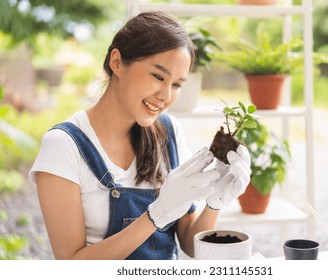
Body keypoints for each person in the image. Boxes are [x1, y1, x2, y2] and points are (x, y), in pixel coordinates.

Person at [29, 11, 251, 260]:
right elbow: (71, 267)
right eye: (158, 76)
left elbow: (190, 244)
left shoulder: (169, 133)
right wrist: (155, 216)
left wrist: (215, 202)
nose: (166, 96)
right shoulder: (63, 145)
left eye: (176, 85)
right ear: (116, 62)